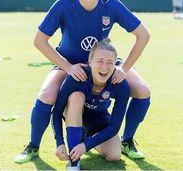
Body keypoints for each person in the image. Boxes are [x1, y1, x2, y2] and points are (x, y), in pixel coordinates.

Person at [14, 0, 150, 164]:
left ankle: (127, 141)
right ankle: (33, 146)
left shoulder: (111, 5)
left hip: (102, 63)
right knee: (47, 93)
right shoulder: (64, 5)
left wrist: (125, 67)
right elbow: (39, 41)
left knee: (142, 90)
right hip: (68, 63)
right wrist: (67, 67)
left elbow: (143, 35)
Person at [52, 38, 130, 170]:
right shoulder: (76, 77)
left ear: (115, 65)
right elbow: (57, 112)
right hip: (73, 113)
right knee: (77, 96)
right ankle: (74, 161)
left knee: (114, 155)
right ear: (90, 62)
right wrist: (60, 143)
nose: (105, 67)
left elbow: (115, 126)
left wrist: (86, 145)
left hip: (97, 117)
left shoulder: (121, 85)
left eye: (110, 62)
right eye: (100, 61)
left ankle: (84, 137)